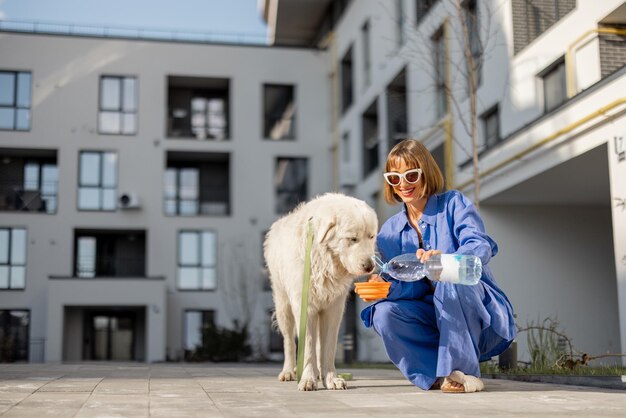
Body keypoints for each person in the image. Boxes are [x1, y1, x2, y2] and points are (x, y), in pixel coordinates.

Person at [354, 139, 516, 393]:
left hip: (475, 314)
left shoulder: (454, 204)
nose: (403, 184)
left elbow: (479, 245)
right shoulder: (389, 233)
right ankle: (436, 375)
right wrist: (386, 288)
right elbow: (412, 290)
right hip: (431, 319)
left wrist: (447, 262)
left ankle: (463, 374)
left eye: (411, 175)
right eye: (395, 178)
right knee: (384, 313)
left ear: (425, 173)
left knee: (450, 282)